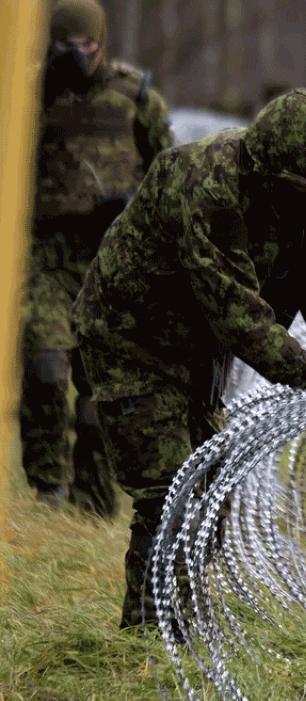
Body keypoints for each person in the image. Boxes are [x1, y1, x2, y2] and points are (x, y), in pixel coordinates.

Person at [72, 89, 306, 630]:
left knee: (211, 485)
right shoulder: (207, 185)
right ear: (275, 176)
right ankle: (151, 632)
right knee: (168, 488)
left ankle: (184, 608)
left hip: (198, 346)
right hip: (132, 336)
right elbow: (237, 312)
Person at [23, 0, 173, 516]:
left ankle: (93, 499)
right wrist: (41, 90)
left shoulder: (135, 97)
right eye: (63, 46)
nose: (75, 56)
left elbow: (168, 173)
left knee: (99, 389)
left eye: (83, 46)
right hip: (47, 258)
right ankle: (48, 487)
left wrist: (132, 208)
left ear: (102, 43)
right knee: (45, 367)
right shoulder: (27, 94)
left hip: (108, 263)